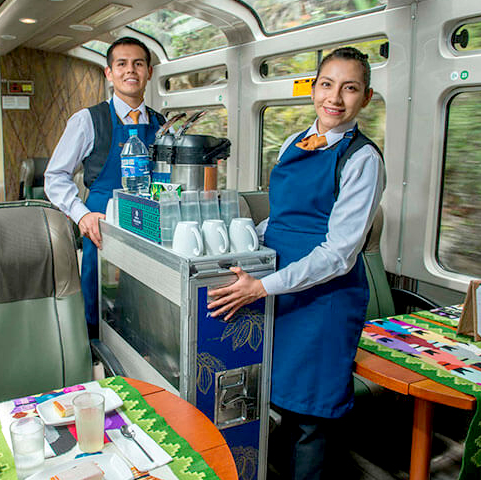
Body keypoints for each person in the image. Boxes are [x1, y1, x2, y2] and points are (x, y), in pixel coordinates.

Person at [207, 47, 386, 479]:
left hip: (324, 300)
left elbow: (339, 254)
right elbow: (283, 217)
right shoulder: (292, 143)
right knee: (281, 403)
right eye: (327, 85)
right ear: (313, 89)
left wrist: (261, 287)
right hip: (282, 291)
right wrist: (242, 238)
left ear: (366, 97)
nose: (335, 98)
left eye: (350, 88)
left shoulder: (362, 159)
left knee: (311, 417)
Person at [45, 37, 165, 338]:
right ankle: (93, 350)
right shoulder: (88, 120)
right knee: (99, 304)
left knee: (145, 306)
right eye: (122, 64)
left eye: (138, 63)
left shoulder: (163, 125)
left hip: (151, 226)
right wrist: (81, 215)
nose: (131, 70)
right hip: (102, 224)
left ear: (149, 72)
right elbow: (55, 176)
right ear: (109, 73)